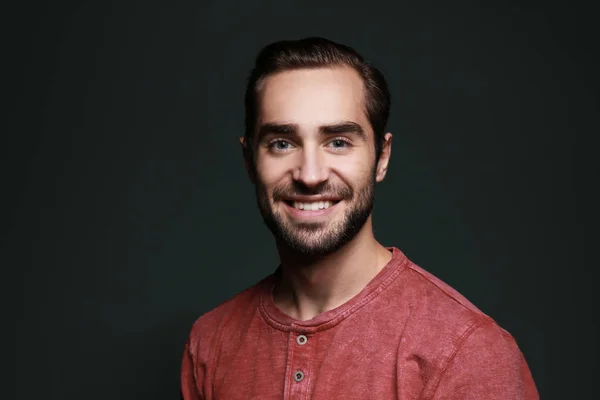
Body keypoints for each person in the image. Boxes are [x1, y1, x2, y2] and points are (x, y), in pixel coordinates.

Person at [180, 37, 538, 399]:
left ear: (381, 157)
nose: (310, 174)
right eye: (282, 143)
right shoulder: (211, 341)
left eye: (338, 141)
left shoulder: (467, 351)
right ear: (249, 161)